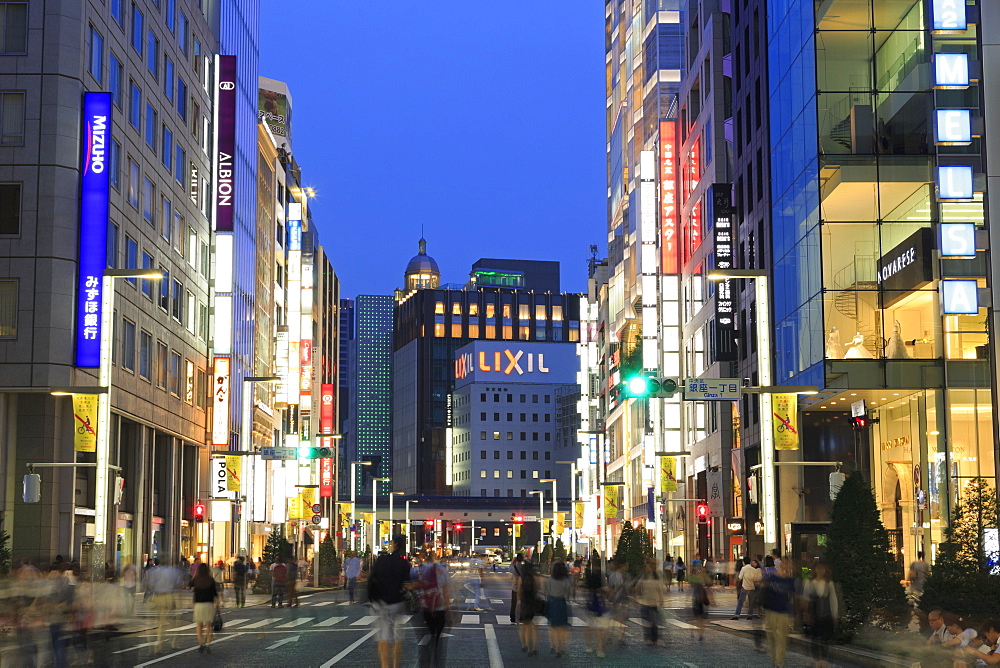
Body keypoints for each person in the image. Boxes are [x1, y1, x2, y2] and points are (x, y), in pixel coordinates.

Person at [369, 535, 413, 668]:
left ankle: (385, 665)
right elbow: (406, 585)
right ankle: (395, 665)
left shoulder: (381, 560)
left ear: (393, 544)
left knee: (383, 636)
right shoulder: (404, 563)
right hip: (397, 603)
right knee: (398, 637)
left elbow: (372, 577)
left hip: (381, 602)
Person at [761, 560, 797, 668]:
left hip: (783, 612)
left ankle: (779, 663)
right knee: (771, 637)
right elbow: (764, 591)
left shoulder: (790, 581)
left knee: (781, 638)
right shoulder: (771, 579)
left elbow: (794, 596)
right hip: (771, 611)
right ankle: (775, 659)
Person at [803, 562, 838, 668]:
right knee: (814, 638)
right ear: (814, 570)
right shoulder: (809, 583)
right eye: (818, 569)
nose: (820, 571)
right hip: (814, 614)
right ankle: (817, 660)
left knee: (825, 638)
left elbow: (833, 600)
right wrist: (806, 614)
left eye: (823, 569)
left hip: (826, 614)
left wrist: (835, 614)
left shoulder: (829, 583)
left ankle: (824, 660)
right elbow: (806, 599)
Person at [145, 558, 180, 652]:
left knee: (158, 621)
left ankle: (154, 645)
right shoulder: (172, 571)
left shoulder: (153, 572)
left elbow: (149, 585)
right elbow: (177, 584)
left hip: (157, 597)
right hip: (168, 597)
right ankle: (171, 643)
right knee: (172, 621)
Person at [189, 563, 221, 653]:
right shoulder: (210, 580)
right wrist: (218, 604)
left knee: (199, 625)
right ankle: (208, 644)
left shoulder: (196, 580)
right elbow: (215, 594)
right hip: (209, 604)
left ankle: (201, 643)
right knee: (208, 625)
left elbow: (189, 584)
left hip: (199, 605)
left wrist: (195, 575)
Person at [636, 560, 669, 645]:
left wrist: (661, 600)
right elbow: (637, 587)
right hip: (645, 602)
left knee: (654, 622)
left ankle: (654, 638)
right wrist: (637, 595)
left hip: (654, 603)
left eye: (648, 567)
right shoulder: (644, 577)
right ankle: (648, 639)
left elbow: (660, 590)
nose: (646, 568)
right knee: (646, 622)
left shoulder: (656, 577)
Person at [545, 560, 572, 656]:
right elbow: (568, 591)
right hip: (561, 602)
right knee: (561, 626)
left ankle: (552, 645)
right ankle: (559, 648)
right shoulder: (565, 580)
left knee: (552, 626)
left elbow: (546, 592)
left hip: (552, 602)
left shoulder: (550, 580)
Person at [583, 561, 608, 658]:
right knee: (600, 629)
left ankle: (589, 646)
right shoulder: (600, 585)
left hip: (590, 605)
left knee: (589, 627)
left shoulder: (590, 577)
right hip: (599, 607)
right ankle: (600, 649)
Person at [517, 560, 541, 656]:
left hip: (524, 602)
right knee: (534, 627)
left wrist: (518, 602)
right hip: (533, 602)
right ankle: (535, 647)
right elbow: (537, 590)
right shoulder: (534, 578)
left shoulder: (521, 578)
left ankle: (526, 647)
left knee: (524, 626)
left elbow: (519, 591)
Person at [688, 562, 713, 642]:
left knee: (695, 617)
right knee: (700, 619)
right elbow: (709, 583)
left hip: (696, 598)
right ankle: (700, 635)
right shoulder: (703, 576)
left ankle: (693, 633)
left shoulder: (694, 577)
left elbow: (690, 587)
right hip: (701, 599)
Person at [607, 560, 629, 644]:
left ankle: (610, 635)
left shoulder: (612, 575)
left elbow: (610, 587)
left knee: (612, 618)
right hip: (620, 599)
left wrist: (609, 597)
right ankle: (620, 637)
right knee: (621, 619)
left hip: (614, 598)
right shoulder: (621, 576)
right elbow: (621, 588)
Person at [509, 554, 523, 624]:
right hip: (522, 587)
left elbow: (510, 568)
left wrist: (512, 561)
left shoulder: (514, 567)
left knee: (514, 603)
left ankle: (513, 619)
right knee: (522, 603)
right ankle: (521, 618)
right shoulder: (523, 568)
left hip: (515, 586)